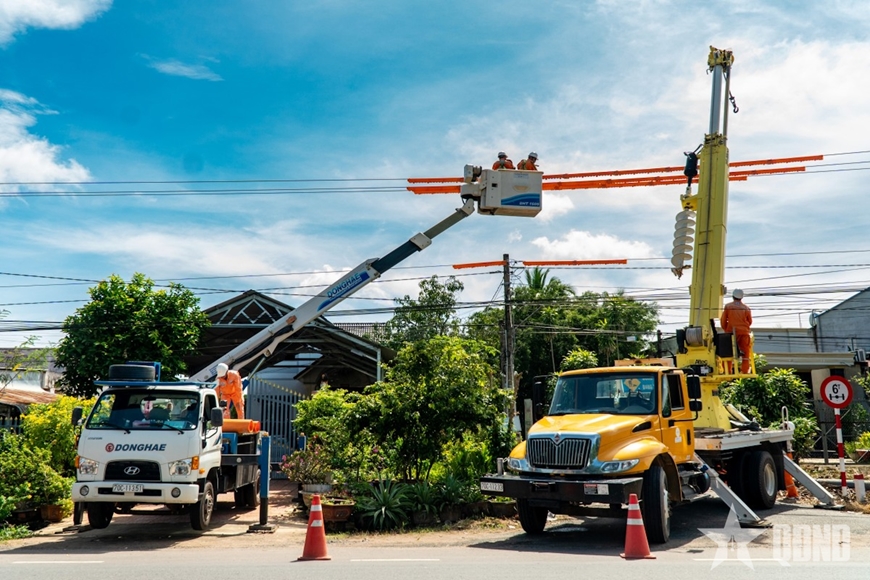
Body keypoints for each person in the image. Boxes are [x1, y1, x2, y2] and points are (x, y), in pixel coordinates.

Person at [721, 288, 753, 373]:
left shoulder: (728, 306)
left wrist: (726, 330)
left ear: (733, 296)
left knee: (729, 352)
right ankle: (745, 371)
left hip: (731, 332)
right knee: (745, 353)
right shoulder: (746, 308)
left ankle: (727, 371)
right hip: (744, 333)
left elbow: (723, 320)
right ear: (742, 297)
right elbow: (749, 321)